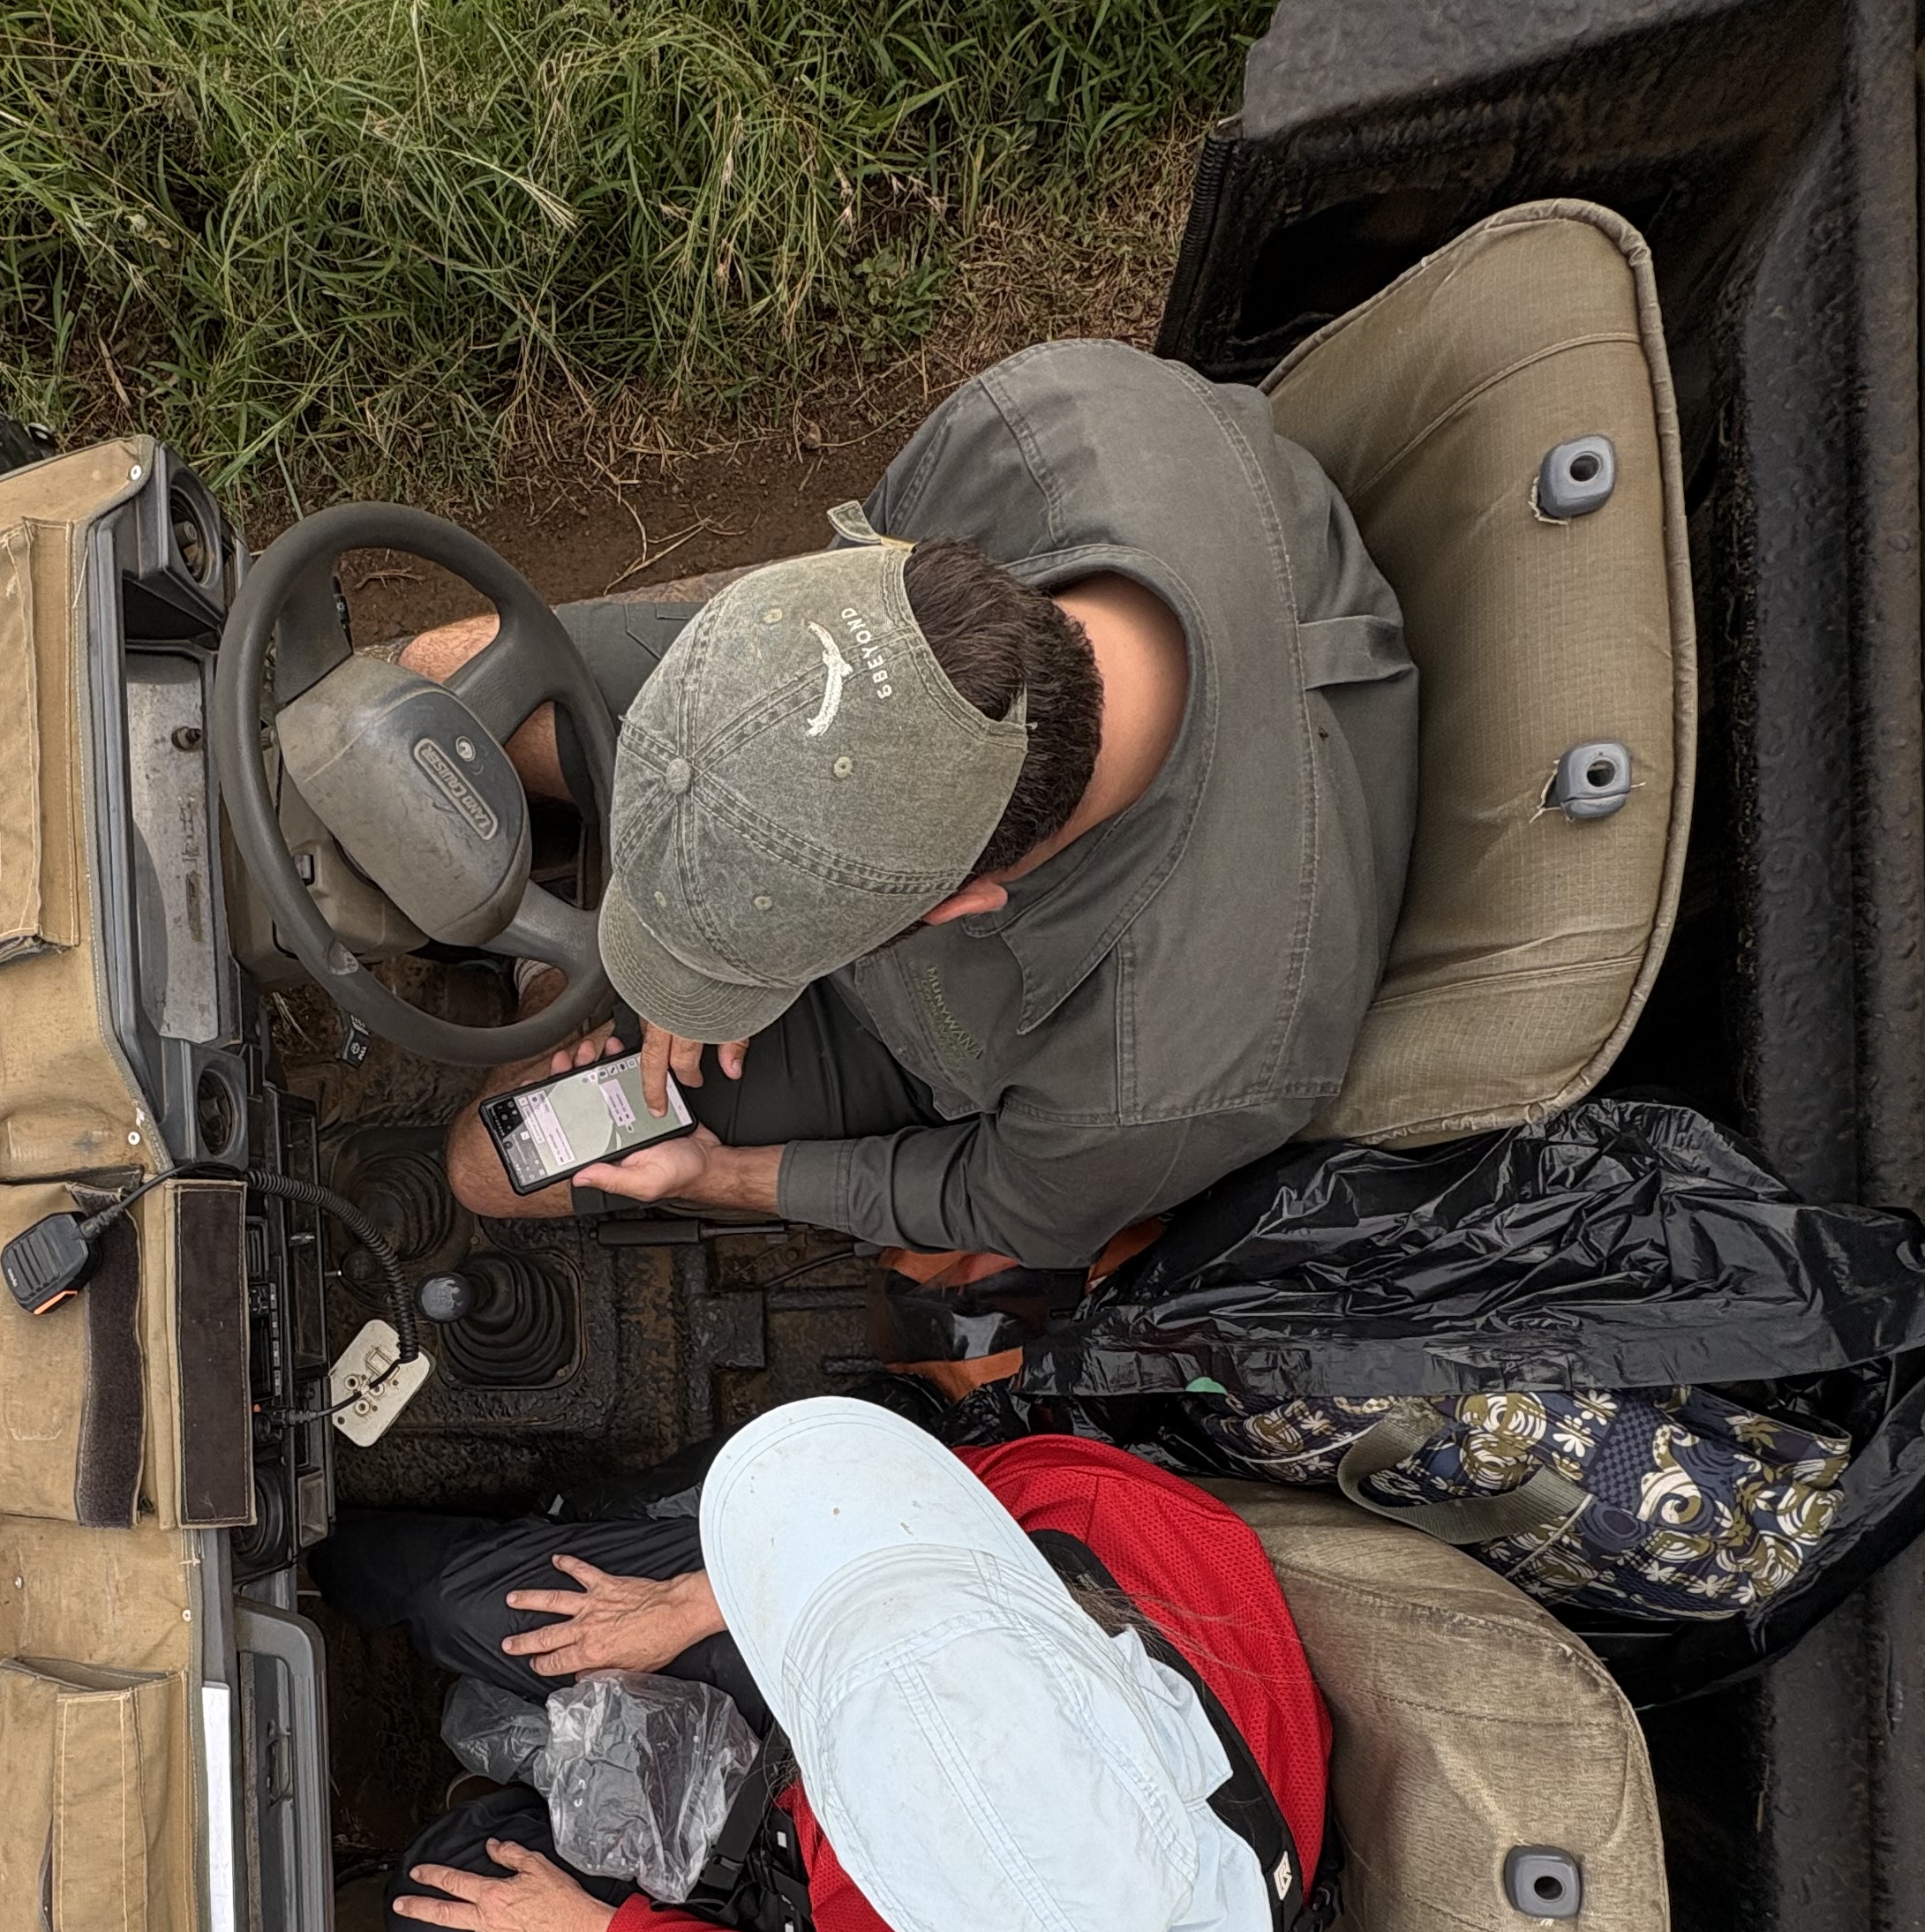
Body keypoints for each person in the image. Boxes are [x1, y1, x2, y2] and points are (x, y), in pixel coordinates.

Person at [413, 340, 1419, 1270]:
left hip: (908, 1036)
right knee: (441, 691)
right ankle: (575, 960)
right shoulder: (1041, 426)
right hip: (811, 698)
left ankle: (560, 977)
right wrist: (708, 938)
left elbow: (1000, 1203)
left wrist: (716, 1176)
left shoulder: (1156, 1082)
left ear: (956, 908)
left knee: (486, 1163)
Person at [307, 1398, 1332, 1932]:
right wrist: (704, 1598)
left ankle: (493, 1805)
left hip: (790, 1857)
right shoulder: (1123, 1539)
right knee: (457, 1603)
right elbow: (906, 1494)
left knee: (436, 1909)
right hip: (853, 1606)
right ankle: (302, 1545)